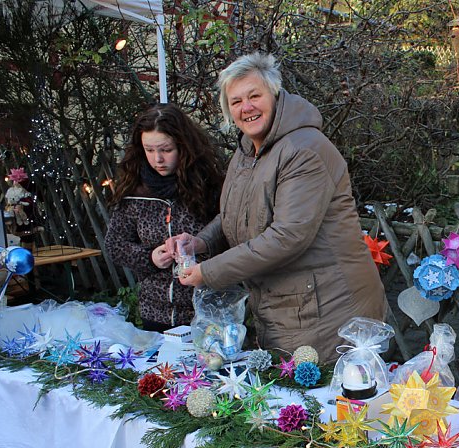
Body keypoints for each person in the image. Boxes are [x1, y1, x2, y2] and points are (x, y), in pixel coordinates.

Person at [166, 52, 385, 362]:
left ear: (275, 94)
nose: (247, 107)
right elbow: (235, 213)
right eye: (236, 101)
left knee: (322, 403)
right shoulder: (247, 150)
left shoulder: (304, 149)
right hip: (290, 305)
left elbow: (287, 235)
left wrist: (210, 272)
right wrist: (201, 241)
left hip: (328, 308)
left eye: (255, 96)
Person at [105, 104, 224, 333]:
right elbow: (115, 245)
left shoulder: (209, 186)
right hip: (155, 315)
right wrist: (149, 258)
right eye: (149, 150)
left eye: (166, 150)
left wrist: (200, 252)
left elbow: (229, 234)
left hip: (207, 313)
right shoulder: (134, 191)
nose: (157, 159)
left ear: (183, 146)